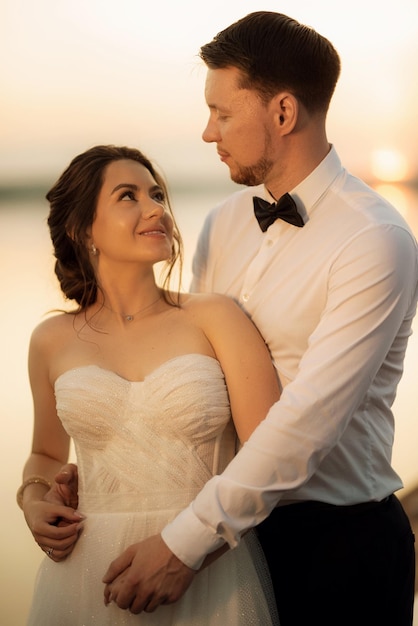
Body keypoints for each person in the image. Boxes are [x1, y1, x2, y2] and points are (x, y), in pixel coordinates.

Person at [85, 12, 416, 626]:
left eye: (223, 112)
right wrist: (104, 467)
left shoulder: (376, 239)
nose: (208, 132)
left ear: (283, 113)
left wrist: (186, 543)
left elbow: (306, 423)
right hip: (231, 545)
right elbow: (193, 375)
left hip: (337, 545)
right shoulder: (222, 225)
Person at [17, 144, 281, 625]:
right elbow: (47, 455)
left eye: (156, 194)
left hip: (206, 570)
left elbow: (272, 453)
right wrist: (34, 502)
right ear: (82, 229)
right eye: (128, 196)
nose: (156, 208)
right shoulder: (50, 341)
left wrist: (190, 549)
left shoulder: (214, 316)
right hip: (84, 579)